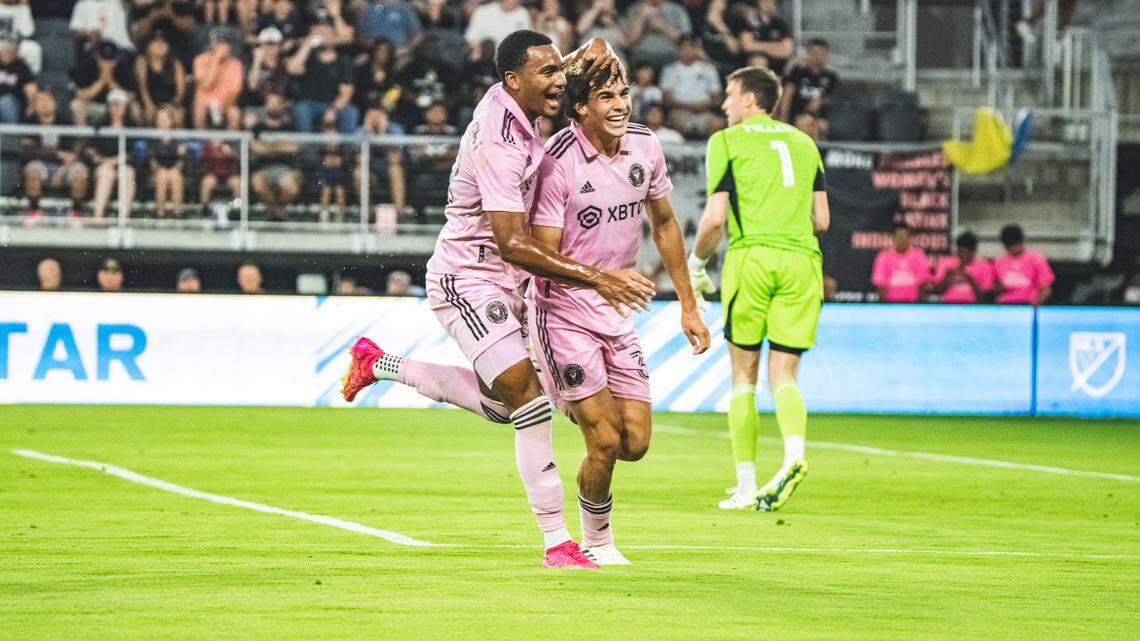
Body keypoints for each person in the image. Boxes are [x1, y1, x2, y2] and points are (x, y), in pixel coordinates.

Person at [341, 32, 653, 569]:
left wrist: (591, 54)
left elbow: (596, 44)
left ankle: (378, 363)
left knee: (498, 405)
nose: (560, 81)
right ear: (513, 82)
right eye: (548, 75)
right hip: (469, 277)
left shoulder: (523, 91)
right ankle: (559, 544)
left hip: (513, 281)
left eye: (561, 70)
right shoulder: (500, 143)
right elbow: (512, 243)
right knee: (528, 404)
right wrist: (599, 279)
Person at [526, 57, 709, 564]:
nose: (621, 104)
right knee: (604, 440)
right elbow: (541, 258)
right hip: (561, 311)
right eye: (606, 97)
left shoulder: (646, 146)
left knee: (634, 443)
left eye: (624, 93)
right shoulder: (556, 162)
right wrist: (601, 280)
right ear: (578, 107)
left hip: (618, 313)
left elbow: (666, 223)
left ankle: (564, 395)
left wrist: (687, 306)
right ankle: (598, 542)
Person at [688, 66, 830, 512]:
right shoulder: (805, 144)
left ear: (751, 100)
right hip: (803, 262)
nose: (725, 103)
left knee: (744, 377)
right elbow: (821, 221)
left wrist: (696, 265)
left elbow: (714, 219)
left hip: (752, 259)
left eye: (730, 96)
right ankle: (793, 455)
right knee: (784, 376)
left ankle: (746, 485)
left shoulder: (726, 142)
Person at [22, 91, 88, 223]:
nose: (45, 104)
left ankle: (76, 212)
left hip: (66, 165)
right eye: (41, 101)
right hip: (41, 164)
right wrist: (56, 154)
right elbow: (28, 148)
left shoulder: (65, 121)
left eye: (48, 100)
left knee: (81, 172)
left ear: (55, 103)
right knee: (32, 170)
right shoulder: (30, 122)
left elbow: (74, 151)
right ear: (35, 105)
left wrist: (62, 169)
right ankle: (34, 211)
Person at [287, 32, 358, 133]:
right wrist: (307, 44)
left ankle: (348, 148)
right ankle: (307, 147)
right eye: (321, 34)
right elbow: (292, 69)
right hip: (309, 104)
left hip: (333, 104)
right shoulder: (308, 58)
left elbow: (347, 92)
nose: (324, 38)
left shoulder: (343, 62)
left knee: (351, 112)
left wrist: (333, 109)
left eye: (327, 34)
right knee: (301, 109)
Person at [659, 34, 723, 138]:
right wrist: (687, 106)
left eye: (690, 47)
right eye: (684, 47)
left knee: (717, 123)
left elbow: (717, 98)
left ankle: (709, 153)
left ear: (696, 49)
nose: (687, 50)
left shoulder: (708, 69)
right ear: (678, 49)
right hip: (680, 111)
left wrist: (704, 106)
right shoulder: (669, 70)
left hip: (704, 112)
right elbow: (665, 99)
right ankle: (679, 154)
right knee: (676, 122)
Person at [250, 93, 302, 220]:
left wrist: (268, 148)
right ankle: (278, 212)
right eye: (270, 103)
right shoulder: (257, 127)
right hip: (263, 169)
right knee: (257, 183)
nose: (273, 106)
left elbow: (294, 147)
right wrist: (281, 147)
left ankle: (274, 211)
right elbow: (255, 148)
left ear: (281, 106)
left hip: (286, 168)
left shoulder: (290, 127)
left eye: (276, 103)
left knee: (289, 185)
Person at [87, 89, 136, 222]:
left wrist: (112, 161)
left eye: (120, 104)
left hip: (123, 165)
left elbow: (133, 153)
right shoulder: (99, 126)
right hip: (103, 166)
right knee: (106, 172)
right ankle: (98, 217)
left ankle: (124, 218)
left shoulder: (132, 127)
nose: (116, 108)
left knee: (127, 172)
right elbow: (90, 149)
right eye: (113, 104)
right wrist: (98, 158)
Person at [777, 39, 838, 140]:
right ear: (808, 54)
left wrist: (820, 101)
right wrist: (783, 117)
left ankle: (819, 153)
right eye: (814, 52)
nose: (818, 56)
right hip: (797, 114)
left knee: (823, 125)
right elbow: (787, 94)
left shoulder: (831, 77)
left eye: (821, 53)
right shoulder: (798, 72)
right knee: (806, 123)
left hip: (818, 115)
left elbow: (831, 97)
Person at [192, 31, 243, 130]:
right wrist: (216, 59)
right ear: (212, 43)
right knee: (199, 110)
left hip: (226, 104)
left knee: (234, 113)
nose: (222, 46)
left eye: (225, 43)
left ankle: (230, 145)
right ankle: (202, 144)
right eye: (219, 42)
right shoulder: (200, 59)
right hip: (204, 104)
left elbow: (234, 93)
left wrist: (222, 107)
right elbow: (206, 84)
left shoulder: (236, 64)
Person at [993, 224, 1054, 306]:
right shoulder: (999, 261)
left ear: (1021, 242)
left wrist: (1035, 306)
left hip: (1028, 303)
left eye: (1014, 245)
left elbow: (1046, 290)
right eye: (1008, 246)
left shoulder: (1037, 259)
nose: (1012, 249)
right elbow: (997, 288)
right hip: (1005, 304)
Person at [134, 31, 185, 126]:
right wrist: (149, 105)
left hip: (170, 102)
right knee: (148, 114)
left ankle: (175, 141)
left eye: (163, 42)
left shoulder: (175, 64)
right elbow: (143, 88)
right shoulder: (142, 62)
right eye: (156, 42)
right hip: (150, 102)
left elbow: (180, 92)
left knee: (179, 115)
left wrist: (171, 105)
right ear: (148, 46)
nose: (160, 45)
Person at [871, 222, 929, 303]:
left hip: (913, 305)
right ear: (893, 238)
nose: (902, 240)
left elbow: (923, 283)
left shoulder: (918, 255)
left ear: (909, 238)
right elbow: (880, 285)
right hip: (891, 304)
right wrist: (885, 307)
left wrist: (919, 306)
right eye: (899, 236)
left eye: (905, 236)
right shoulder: (883, 256)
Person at [623, 0, 691, 68]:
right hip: (642, 56)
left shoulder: (677, 10)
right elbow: (630, 41)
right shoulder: (634, 9)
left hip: (670, 56)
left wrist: (663, 26)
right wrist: (641, 17)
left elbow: (685, 41)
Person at [931, 231, 994, 304]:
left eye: (965, 253)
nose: (961, 255)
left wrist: (970, 279)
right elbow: (937, 292)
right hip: (948, 304)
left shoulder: (985, 266)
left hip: (973, 306)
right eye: (960, 252)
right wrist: (947, 278)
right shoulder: (946, 263)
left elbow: (984, 298)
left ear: (974, 252)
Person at [736, 0, 793, 76]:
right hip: (755, 62)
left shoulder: (781, 24)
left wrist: (758, 45)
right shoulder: (749, 22)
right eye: (765, 1)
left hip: (779, 64)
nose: (768, 3)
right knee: (759, 61)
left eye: (771, 1)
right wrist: (775, 46)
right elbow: (747, 46)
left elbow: (786, 51)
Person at [149, 106, 185, 218]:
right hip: (158, 171)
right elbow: (152, 160)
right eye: (160, 119)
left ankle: (177, 213)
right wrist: (158, 169)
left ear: (172, 120)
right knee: (162, 175)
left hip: (175, 170)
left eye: (165, 118)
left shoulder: (179, 138)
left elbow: (181, 160)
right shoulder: (151, 138)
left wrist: (176, 167)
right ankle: (160, 214)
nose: (163, 121)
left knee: (174, 175)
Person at [70, 0, 134, 53]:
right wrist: (87, 34)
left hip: (122, 48)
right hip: (95, 51)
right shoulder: (82, 5)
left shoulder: (119, 2)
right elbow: (74, 32)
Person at [464, 0, 531, 51]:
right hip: (484, 59)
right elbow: (471, 37)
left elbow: (526, 41)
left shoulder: (523, 13)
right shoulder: (483, 11)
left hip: (509, 61)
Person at [0, 35, 33, 123]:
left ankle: (11, 135)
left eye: (9, 51)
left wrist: (31, 105)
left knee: (5, 102)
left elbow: (30, 87)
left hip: (14, 101)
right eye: (4, 51)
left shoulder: (22, 67)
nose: (6, 54)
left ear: (15, 53)